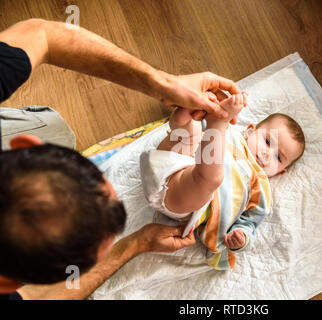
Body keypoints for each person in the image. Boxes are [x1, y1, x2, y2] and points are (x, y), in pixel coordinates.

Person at [0, 18, 240, 300]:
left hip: (177, 174)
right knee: (209, 177)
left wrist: (163, 83)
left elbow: (44, 35)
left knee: (58, 129)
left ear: (25, 145)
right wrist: (132, 245)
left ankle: (189, 129)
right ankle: (202, 129)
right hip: (182, 192)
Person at [140, 90, 306, 269]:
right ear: (250, 131)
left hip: (184, 198)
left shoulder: (260, 187)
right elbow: (202, 124)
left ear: (280, 172)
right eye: (267, 141)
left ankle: (204, 125)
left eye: (278, 158)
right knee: (191, 132)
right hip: (169, 162)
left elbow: (249, 224)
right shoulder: (231, 132)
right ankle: (184, 115)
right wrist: (205, 108)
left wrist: (241, 238)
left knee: (210, 178)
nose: (267, 153)